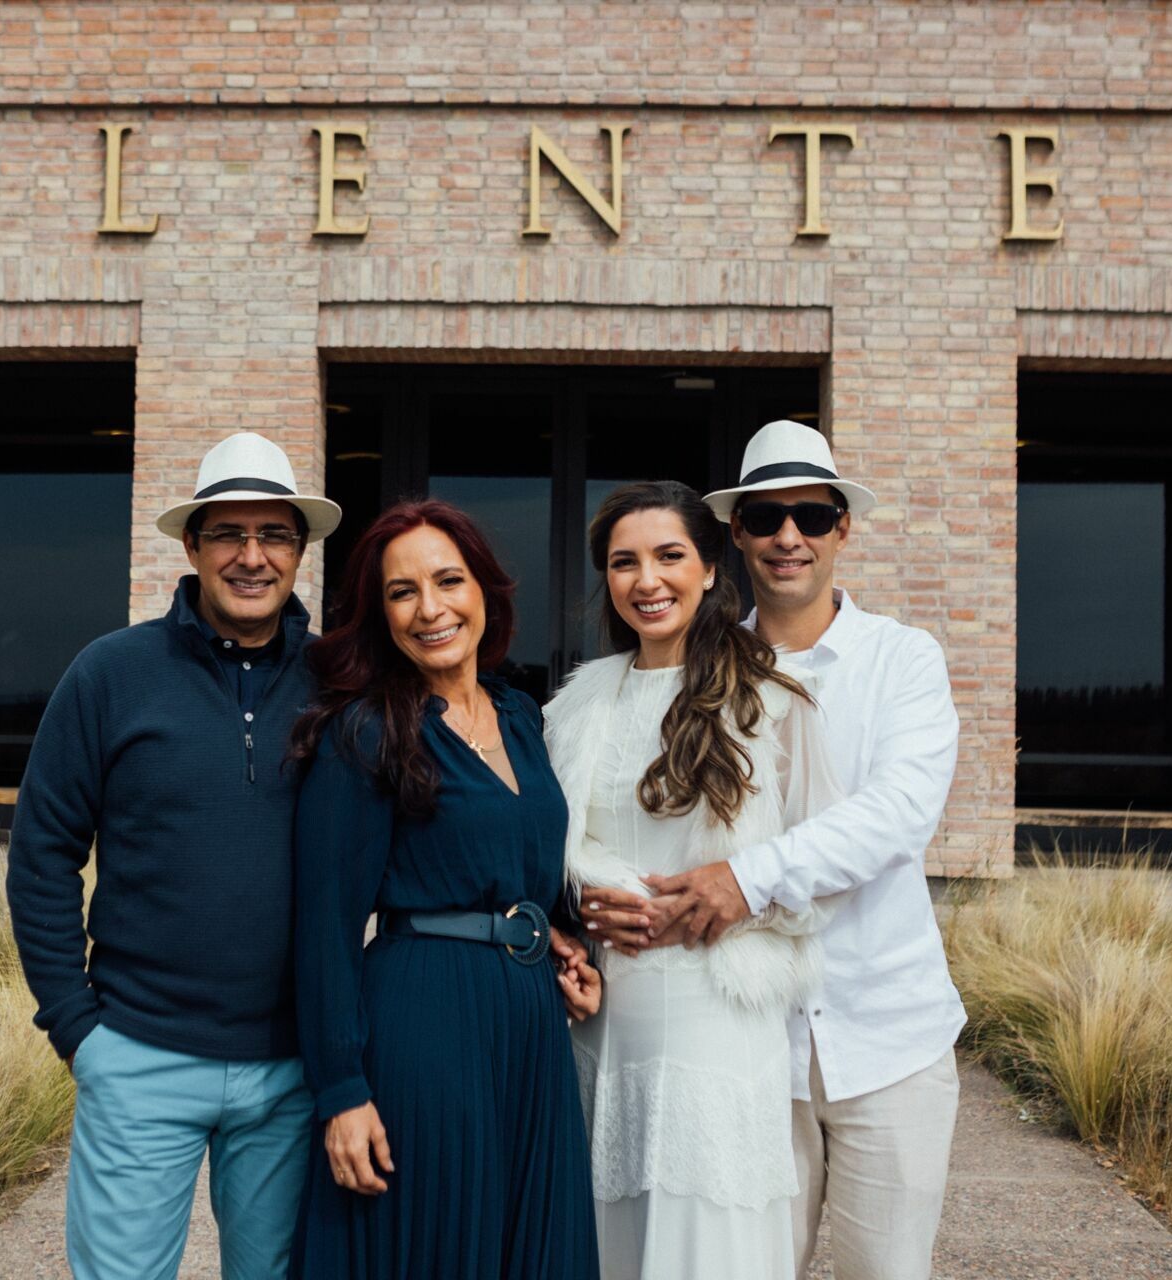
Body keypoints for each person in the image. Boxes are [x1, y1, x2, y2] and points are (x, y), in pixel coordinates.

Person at [584, 421, 965, 1280]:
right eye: (765, 516)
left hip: (886, 1037)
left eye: (811, 514)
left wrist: (743, 881)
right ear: (738, 537)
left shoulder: (903, 658)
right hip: (747, 1046)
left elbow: (899, 812)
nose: (789, 535)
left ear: (842, 528)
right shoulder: (694, 670)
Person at [6, 431, 341, 1280]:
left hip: (291, 1067)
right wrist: (79, 1031)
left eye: (274, 535)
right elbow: (43, 853)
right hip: (140, 1054)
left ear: (301, 551)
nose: (252, 556)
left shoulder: (341, 682)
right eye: (229, 532)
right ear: (192, 546)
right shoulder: (110, 674)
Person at [288, 499, 603, 1280]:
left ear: (484, 592)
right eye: (402, 592)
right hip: (423, 1030)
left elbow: (525, 860)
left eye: (448, 581)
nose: (430, 609)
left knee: (528, 1246)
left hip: (530, 1029)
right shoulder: (367, 731)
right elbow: (325, 928)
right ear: (380, 612)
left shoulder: (522, 716)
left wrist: (564, 943)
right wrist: (341, 1090)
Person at [545, 480, 844, 1280]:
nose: (647, 580)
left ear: (711, 567)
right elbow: (549, 848)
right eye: (624, 562)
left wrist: (728, 897)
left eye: (669, 556)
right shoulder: (576, 708)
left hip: (719, 1011)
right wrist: (580, 905)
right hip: (604, 1017)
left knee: (703, 1239)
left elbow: (818, 861)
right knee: (608, 1228)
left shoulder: (773, 700)